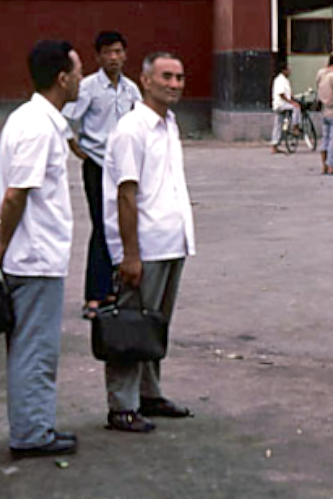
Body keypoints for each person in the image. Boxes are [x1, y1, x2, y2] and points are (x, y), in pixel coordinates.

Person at [0, 40, 83, 458]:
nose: (81, 78)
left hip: (27, 252)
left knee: (27, 348)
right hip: (36, 257)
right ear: (61, 78)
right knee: (35, 351)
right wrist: (2, 235)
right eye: (77, 71)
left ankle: (32, 426)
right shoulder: (41, 127)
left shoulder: (22, 119)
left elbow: (0, 184)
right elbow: (16, 194)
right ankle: (31, 433)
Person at [103, 52, 196, 433]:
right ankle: (121, 406)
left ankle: (149, 394)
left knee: (155, 324)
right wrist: (130, 254)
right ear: (146, 81)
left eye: (179, 77)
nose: (175, 84)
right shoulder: (131, 129)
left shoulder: (169, 124)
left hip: (173, 240)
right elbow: (126, 194)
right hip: (146, 244)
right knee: (131, 323)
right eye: (167, 77)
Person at [64, 31, 142, 320]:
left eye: (119, 51)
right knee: (100, 225)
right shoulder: (88, 87)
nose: (114, 57)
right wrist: (76, 147)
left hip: (123, 168)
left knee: (121, 225)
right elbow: (66, 117)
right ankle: (94, 295)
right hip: (97, 164)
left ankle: (114, 291)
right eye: (108, 52)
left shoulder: (131, 90)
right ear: (97, 56)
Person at [270, 61, 300, 155]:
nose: (290, 71)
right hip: (281, 104)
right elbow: (281, 94)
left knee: (278, 125)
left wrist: (293, 98)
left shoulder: (285, 80)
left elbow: (288, 93)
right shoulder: (280, 80)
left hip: (282, 104)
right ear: (284, 70)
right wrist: (292, 102)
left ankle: (274, 145)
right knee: (296, 108)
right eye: (288, 69)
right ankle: (295, 126)